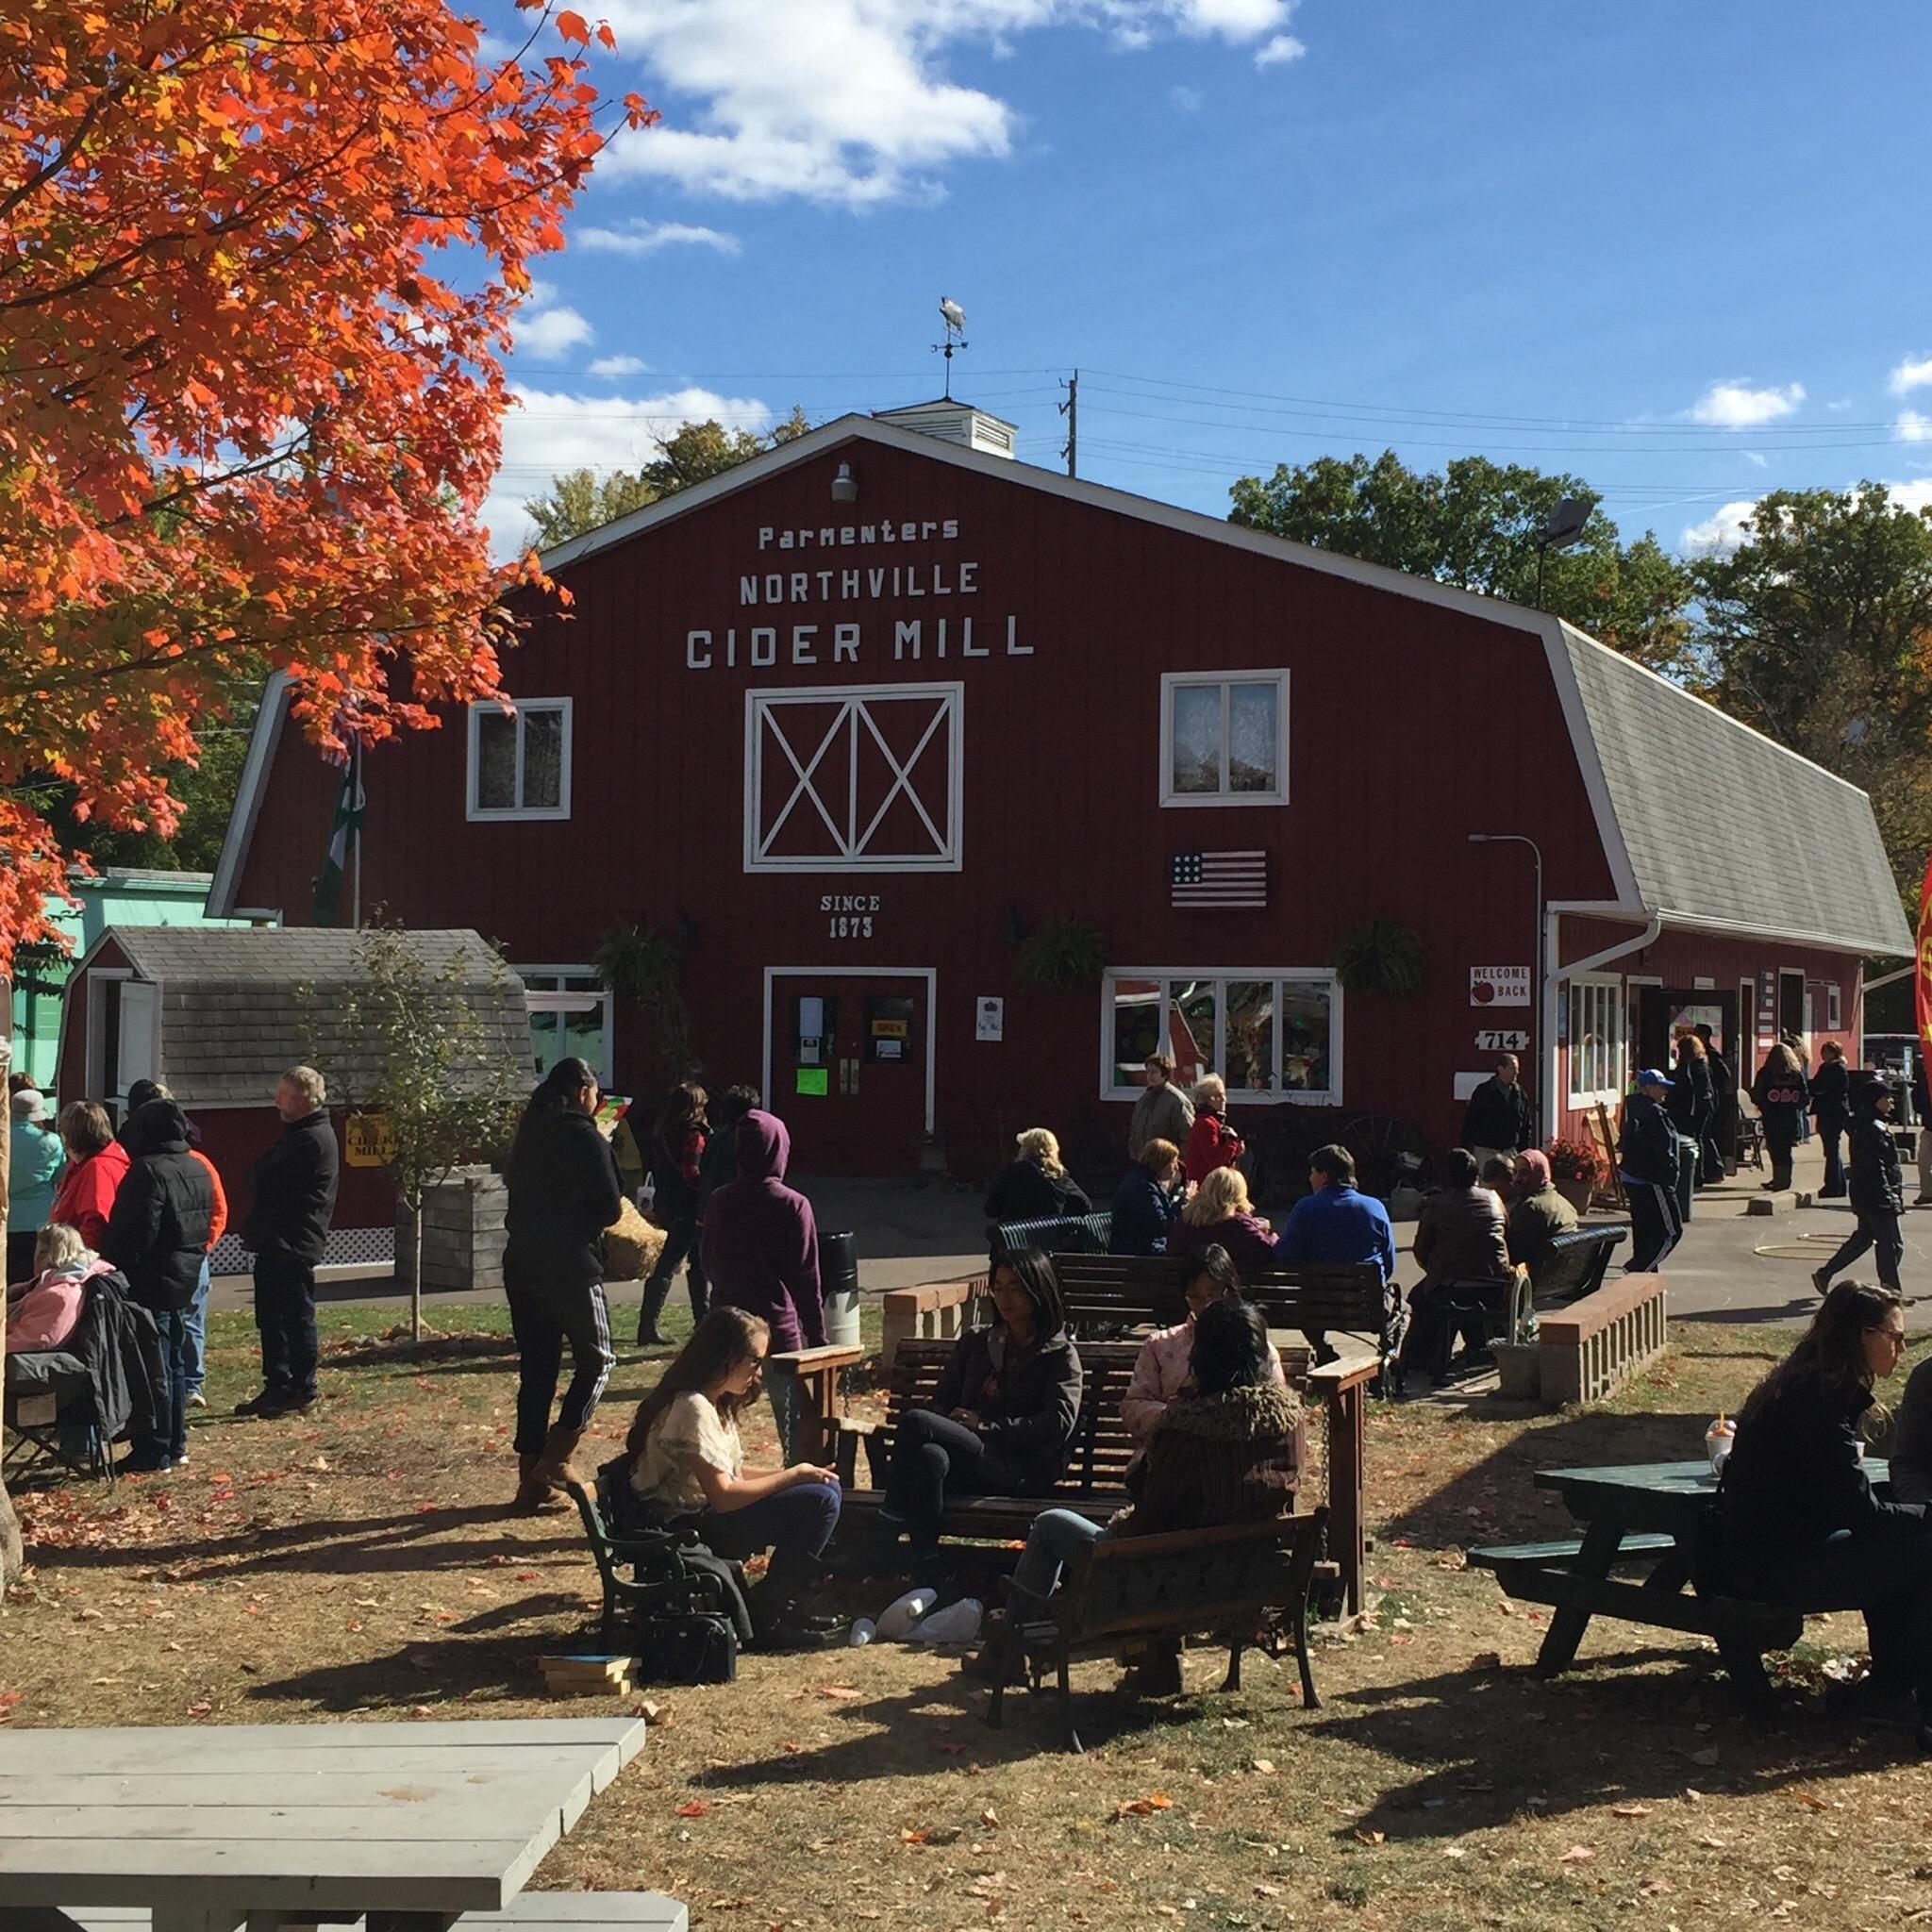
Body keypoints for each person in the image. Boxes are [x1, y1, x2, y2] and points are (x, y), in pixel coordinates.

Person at [986, 1297, 1300, 1695]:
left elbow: (1153, 1519)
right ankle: (1157, 1666)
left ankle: (1007, 1650)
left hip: (1165, 1581)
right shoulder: (1288, 1424)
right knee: (1171, 1539)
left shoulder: (1187, 1428)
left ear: (1202, 1358)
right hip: (1249, 1575)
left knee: (1051, 1525)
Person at [1719, 1281, 1932, 1740]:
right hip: (1772, 1567)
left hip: (1773, 1550)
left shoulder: (1807, 1383)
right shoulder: (1817, 1401)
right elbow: (1862, 1515)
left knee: (1907, 1549)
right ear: (1863, 1336)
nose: (1902, 1349)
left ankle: (1892, 1688)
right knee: (1918, 1551)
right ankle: (1896, 1693)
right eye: (1895, 1338)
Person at [625, 1307, 841, 1649]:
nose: (759, 1372)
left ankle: (781, 1603)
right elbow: (724, 1496)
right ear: (725, 1356)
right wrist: (793, 1477)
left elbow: (734, 1472)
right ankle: (768, 1613)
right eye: (754, 1360)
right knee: (820, 1501)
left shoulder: (714, 1402)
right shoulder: (691, 1406)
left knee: (824, 1488)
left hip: (705, 1515)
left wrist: (801, 1474)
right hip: (684, 1528)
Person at [880, 1248, 1082, 1564]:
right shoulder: (977, 1342)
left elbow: (1056, 1424)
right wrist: (951, 1422)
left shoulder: (1059, 1355)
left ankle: (885, 1526)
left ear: (1038, 1290)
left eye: (1015, 1288)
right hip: (971, 1460)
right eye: (998, 1287)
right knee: (930, 1455)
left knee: (917, 1422)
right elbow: (942, 1401)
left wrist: (985, 1425)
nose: (1005, 1297)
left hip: (1019, 1469)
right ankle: (927, 1567)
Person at [500, 1057, 624, 1511]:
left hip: (522, 1261)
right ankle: (557, 1456)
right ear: (582, 1092)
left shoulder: (529, 1133)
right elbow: (611, 1207)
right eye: (595, 1093)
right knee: (600, 1359)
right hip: (571, 1262)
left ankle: (529, 1482)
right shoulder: (583, 1134)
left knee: (538, 1370)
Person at [701, 1109, 827, 1460]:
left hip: (725, 1323)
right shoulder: (792, 1205)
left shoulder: (720, 1200)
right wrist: (817, 1337)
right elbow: (806, 1277)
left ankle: (716, 1479)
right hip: (776, 1325)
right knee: (795, 1421)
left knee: (713, 1417)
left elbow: (707, 1260)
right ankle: (800, 1480)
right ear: (779, 1149)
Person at [105, 1096, 214, 1472]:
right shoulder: (195, 1166)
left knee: (154, 1366)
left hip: (152, 1277)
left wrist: (117, 1263)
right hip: (184, 1271)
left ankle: (155, 1446)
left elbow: (136, 1232)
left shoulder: (148, 1171)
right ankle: (175, 1442)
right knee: (174, 1363)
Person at [238, 1065, 341, 1420]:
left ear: (300, 1099)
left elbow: (263, 1177)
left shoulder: (309, 1139)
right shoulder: (299, 1134)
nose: (276, 1101)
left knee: (293, 1316)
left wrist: (262, 1171)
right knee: (273, 1316)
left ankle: (301, 1387)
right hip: (280, 1239)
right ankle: (278, 1385)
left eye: (282, 1095)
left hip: (292, 1241)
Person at [1120, 1243, 1286, 1447]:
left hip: (1238, 1453)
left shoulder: (1253, 1343)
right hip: (1173, 1455)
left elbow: (1274, 1402)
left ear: (1229, 1291)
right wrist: (1176, 1416)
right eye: (1194, 1296)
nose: (1205, 1304)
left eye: (1212, 1294)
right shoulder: (1160, 1345)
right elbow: (1134, 1406)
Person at [1272, 1142, 1400, 1369]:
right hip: (1366, 1305)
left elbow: (1285, 1256)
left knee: (1305, 1300)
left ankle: (1323, 1349)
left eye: (1312, 1172)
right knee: (1405, 1310)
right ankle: (1387, 1354)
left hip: (1316, 1305)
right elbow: (1389, 1264)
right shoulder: (1375, 1208)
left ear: (1324, 1175)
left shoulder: (1305, 1208)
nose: (1309, 1178)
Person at [1400, 1147, 1513, 1386]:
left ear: (1447, 1177)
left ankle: (1419, 1358)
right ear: (1476, 1175)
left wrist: (1435, 1269)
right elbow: (1507, 1235)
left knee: (1420, 1296)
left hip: (1453, 1288)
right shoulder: (1494, 1199)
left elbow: (1420, 1250)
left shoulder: (1436, 1205)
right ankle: (1475, 1346)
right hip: (1495, 1288)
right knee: (1447, 1290)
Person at [1813, 1075, 1906, 1296]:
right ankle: (1891, 1291)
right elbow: (1876, 1166)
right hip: (1876, 1195)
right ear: (1876, 1100)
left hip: (1867, 1194)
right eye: (1887, 1098)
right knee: (1890, 1244)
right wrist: (1888, 1197)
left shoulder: (1870, 1124)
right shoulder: (1872, 1128)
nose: (1891, 1102)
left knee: (1864, 1238)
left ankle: (1825, 1274)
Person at [637, 1081, 710, 1347]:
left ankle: (701, 1321)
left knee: (694, 1262)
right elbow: (692, 1171)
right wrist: (708, 1189)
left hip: (668, 1201)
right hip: (689, 1204)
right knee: (675, 1264)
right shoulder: (694, 1134)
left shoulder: (663, 1130)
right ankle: (649, 1326)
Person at [6, 1223, 114, 1354]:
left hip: (26, 1359)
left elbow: (36, 1340)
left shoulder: (59, 1294)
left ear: (43, 1253)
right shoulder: (60, 1282)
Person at [1620, 1067, 1683, 1272]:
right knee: (1671, 1231)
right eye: (1660, 1087)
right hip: (1652, 1180)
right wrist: (1667, 1174)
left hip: (1635, 1177)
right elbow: (1662, 1149)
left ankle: (1644, 1277)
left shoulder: (1634, 1108)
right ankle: (1639, 1268)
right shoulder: (1652, 1113)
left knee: (1645, 1230)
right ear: (1647, 1089)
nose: (1665, 1091)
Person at [47, 1102, 129, 1253]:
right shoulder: (82, 1163)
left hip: (80, 1263)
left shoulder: (98, 1168)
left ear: (69, 1136)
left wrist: (79, 1265)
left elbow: (94, 1223)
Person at [1170, 1164, 1276, 1275]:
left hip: (1183, 1289)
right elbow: (1270, 1250)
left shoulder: (1186, 1221)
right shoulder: (1238, 1226)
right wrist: (1270, 1235)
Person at [8, 1089, 66, 1286]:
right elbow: (60, 1176)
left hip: (6, 1217)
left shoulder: (3, 1139)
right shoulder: (50, 1141)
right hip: (40, 1219)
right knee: (33, 1280)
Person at [983, 1128, 1093, 1225]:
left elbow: (991, 1209)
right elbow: (1084, 1204)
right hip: (1051, 1240)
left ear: (1026, 1149)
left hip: (1016, 1242)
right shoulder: (1058, 1175)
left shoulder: (1014, 1172)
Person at [1506, 1148, 1579, 1286]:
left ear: (1538, 1173)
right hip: (1559, 1275)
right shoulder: (1565, 1204)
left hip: (1534, 1278)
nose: (1516, 1179)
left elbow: (1511, 1251)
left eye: (1524, 1173)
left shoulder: (1531, 1207)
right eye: (1515, 1173)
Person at [1108, 1137, 1186, 1256]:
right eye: (1173, 1163)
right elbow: (1161, 1226)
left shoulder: (1141, 1179)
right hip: (1139, 1253)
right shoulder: (1144, 1188)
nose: (1176, 1168)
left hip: (1136, 1248)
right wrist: (1183, 1201)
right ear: (1161, 1162)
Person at [1752, 1041, 1809, 1192]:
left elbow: (1756, 1094)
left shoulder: (1766, 1073)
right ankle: (1784, 1179)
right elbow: (1804, 1097)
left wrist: (1763, 1106)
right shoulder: (1796, 1074)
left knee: (1774, 1148)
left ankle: (1779, 1178)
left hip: (1772, 1116)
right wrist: (1794, 1107)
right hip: (1790, 1117)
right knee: (1785, 1149)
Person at [696, 1084, 760, 1221]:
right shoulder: (743, 1141)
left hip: (711, 1208)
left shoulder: (715, 1137)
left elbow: (703, 1168)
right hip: (732, 1212)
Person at [1460, 1055, 1534, 1167]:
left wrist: (1524, 1152)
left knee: (1510, 1183)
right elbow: (1471, 1121)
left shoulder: (1519, 1094)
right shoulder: (1484, 1091)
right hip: (1485, 1150)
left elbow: (1526, 1125)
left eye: (1517, 1069)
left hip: (1510, 1151)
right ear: (1500, 1069)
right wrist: (1466, 1147)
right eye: (1512, 1068)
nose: (1516, 1072)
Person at [1667, 1031, 1716, 1190]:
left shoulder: (1688, 1066)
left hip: (1692, 1108)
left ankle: (1694, 1174)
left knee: (1691, 1139)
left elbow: (1685, 1087)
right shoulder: (1703, 1063)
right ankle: (1700, 1174)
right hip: (1704, 1105)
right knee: (1699, 1138)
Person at [1128, 1055, 1193, 1162]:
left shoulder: (1176, 1100)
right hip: (1143, 1162)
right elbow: (1136, 1131)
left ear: (1165, 1074)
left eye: (1154, 1072)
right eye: (1148, 1072)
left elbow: (1187, 1135)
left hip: (1166, 1163)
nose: (1150, 1076)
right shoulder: (1143, 1100)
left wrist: (1179, 1163)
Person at [1810, 1041, 1852, 1200]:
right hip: (1829, 1111)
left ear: (1836, 1053)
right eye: (1823, 1052)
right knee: (1831, 1150)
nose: (1824, 1055)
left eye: (1828, 1052)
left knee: (1831, 1149)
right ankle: (1838, 1185)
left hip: (1833, 1113)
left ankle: (1833, 1185)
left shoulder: (1836, 1068)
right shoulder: (1826, 1067)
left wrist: (1818, 1090)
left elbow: (1833, 1089)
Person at [1183, 1074, 1243, 1181]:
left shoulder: (1210, 1121)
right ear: (1207, 1100)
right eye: (1218, 1096)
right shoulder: (1207, 1124)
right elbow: (1216, 1161)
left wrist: (1236, 1150)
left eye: (1224, 1094)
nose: (1224, 1099)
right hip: (1207, 1188)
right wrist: (1232, 1141)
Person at [1696, 1024, 1736, 1182]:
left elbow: (1725, 1076)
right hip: (1707, 1100)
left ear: (1704, 1036)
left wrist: (1714, 1089)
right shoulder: (1699, 1054)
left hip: (1710, 1101)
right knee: (1704, 1136)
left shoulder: (1711, 1055)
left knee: (1705, 1136)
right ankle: (1710, 1170)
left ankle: (1716, 1169)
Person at [1916, 1058, 1932, 1208]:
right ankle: (1927, 1193)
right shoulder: (1925, 1076)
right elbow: (1918, 1097)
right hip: (1929, 1126)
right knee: (1924, 1161)